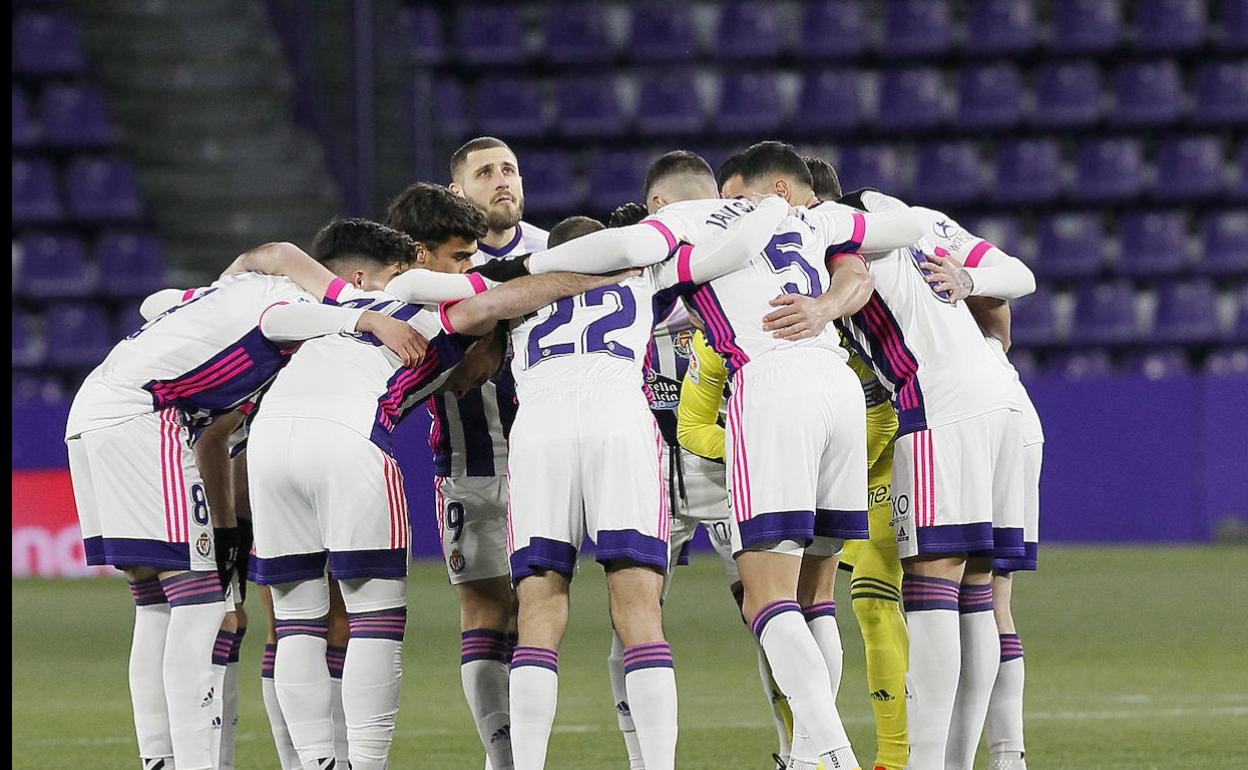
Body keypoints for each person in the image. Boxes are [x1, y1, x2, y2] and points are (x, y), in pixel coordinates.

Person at [512, 144, 924, 770]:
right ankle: (809, 753)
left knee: (713, 604)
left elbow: (620, 255)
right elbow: (902, 232)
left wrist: (524, 264)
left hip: (729, 426)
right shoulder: (804, 219)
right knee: (808, 596)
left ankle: (823, 752)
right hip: (822, 390)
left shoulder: (677, 234)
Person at [246, 218, 625, 770]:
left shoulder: (340, 308)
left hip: (268, 446)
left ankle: (315, 763)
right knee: (374, 616)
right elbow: (502, 298)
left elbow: (276, 270)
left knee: (298, 621)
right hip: (347, 442)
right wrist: (597, 277)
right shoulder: (433, 312)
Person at [64, 242, 425, 770]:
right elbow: (284, 302)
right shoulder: (278, 303)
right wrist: (365, 319)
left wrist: (222, 285)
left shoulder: (216, 297)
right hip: (145, 420)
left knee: (155, 603)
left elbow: (158, 303)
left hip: (93, 417)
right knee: (202, 605)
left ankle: (159, 758)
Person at [504, 199, 793, 770]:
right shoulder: (644, 273)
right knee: (638, 609)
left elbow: (443, 300)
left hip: (538, 427)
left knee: (538, 610)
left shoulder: (518, 284)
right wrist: (769, 205)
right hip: (618, 419)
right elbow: (730, 253)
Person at [786, 187, 1035, 770]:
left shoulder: (834, 235)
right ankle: (988, 758)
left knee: (931, 590)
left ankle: (925, 764)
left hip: (939, 411)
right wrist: (972, 283)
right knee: (982, 594)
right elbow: (1018, 274)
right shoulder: (920, 223)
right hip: (1010, 404)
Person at [429, 138, 550, 770]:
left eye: (509, 169)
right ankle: (501, 758)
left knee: (541, 606)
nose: (501, 180)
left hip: (548, 462)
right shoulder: (434, 263)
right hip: (468, 460)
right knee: (483, 606)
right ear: (458, 193)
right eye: (484, 172)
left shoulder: (556, 252)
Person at [920, 248, 1044, 770]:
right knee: (997, 598)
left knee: (944, 591)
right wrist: (972, 282)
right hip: (1017, 415)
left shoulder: (906, 283)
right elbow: (1004, 307)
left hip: (963, 419)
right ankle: (1007, 753)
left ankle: (948, 759)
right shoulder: (957, 276)